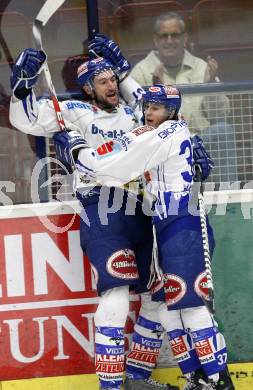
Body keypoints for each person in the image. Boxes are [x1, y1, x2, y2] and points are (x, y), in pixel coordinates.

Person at [9, 46, 179, 390]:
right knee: (116, 290)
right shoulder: (73, 112)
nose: (111, 85)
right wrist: (24, 82)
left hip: (144, 207)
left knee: (158, 293)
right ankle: (111, 385)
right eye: (102, 82)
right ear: (87, 88)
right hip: (102, 206)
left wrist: (127, 73)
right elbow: (23, 118)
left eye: (113, 79)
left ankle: (137, 378)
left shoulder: (135, 111)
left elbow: (163, 113)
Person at [54, 84, 235, 390]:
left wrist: (76, 148)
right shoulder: (153, 132)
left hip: (184, 224)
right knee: (171, 305)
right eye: (147, 106)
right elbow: (117, 157)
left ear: (172, 111)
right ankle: (197, 378)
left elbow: (113, 169)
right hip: (162, 226)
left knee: (191, 306)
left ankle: (219, 380)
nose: (149, 112)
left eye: (157, 107)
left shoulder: (167, 133)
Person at [129, 11, 221, 133]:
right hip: (161, 142)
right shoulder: (141, 71)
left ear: (185, 38)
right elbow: (133, 119)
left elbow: (220, 114)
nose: (169, 41)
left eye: (175, 35)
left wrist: (211, 84)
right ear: (156, 40)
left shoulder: (202, 67)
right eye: (164, 36)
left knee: (223, 129)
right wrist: (157, 96)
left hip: (200, 139)